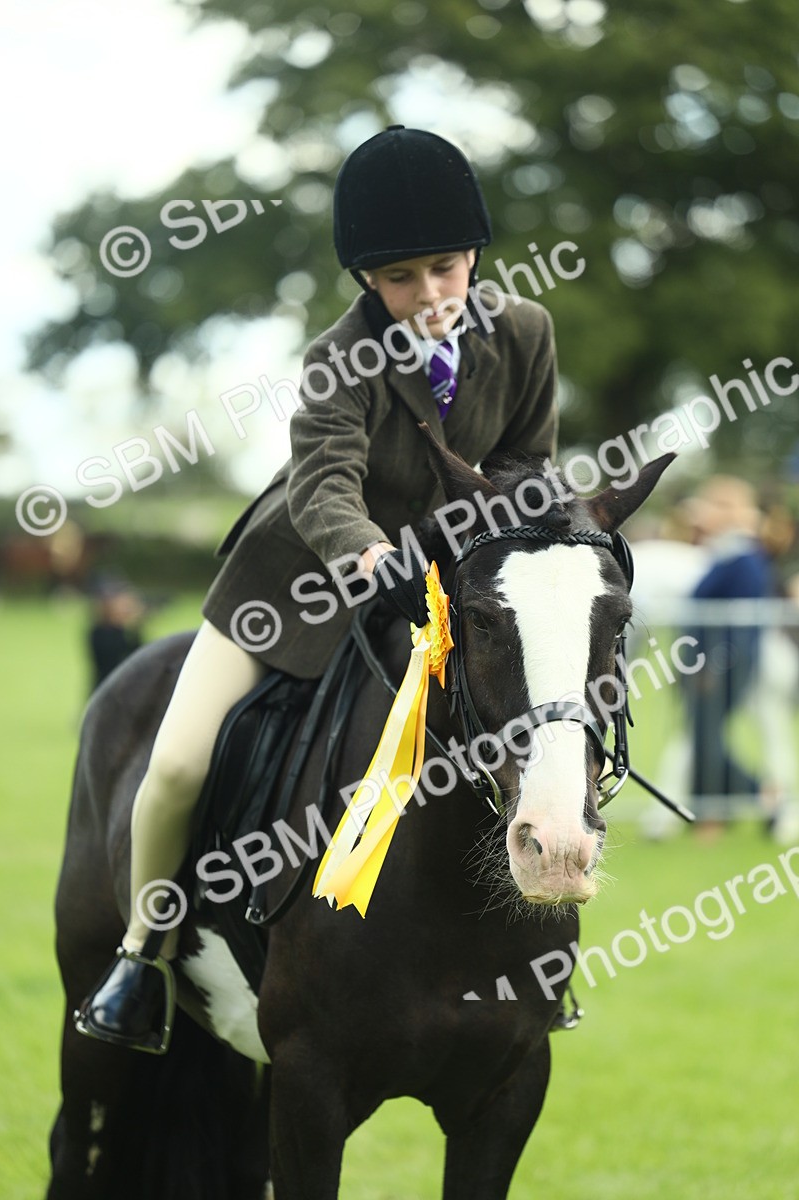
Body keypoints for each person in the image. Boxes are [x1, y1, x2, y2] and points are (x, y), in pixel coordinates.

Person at [75, 125, 559, 1053]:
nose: (428, 296)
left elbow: (525, 465)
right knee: (175, 762)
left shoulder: (527, 333)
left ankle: (534, 965)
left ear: (475, 258)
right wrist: (370, 554)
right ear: (367, 283)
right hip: (295, 582)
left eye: (446, 269)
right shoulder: (341, 356)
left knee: (527, 738)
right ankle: (141, 956)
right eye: (400, 278)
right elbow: (324, 482)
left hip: (441, 589)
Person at [684, 476, 774, 830]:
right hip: (710, 663)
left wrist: (715, 665)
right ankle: (722, 810)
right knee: (704, 738)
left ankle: (757, 797)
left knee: (708, 739)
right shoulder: (727, 554)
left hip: (723, 665)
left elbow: (740, 622)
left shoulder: (744, 558)